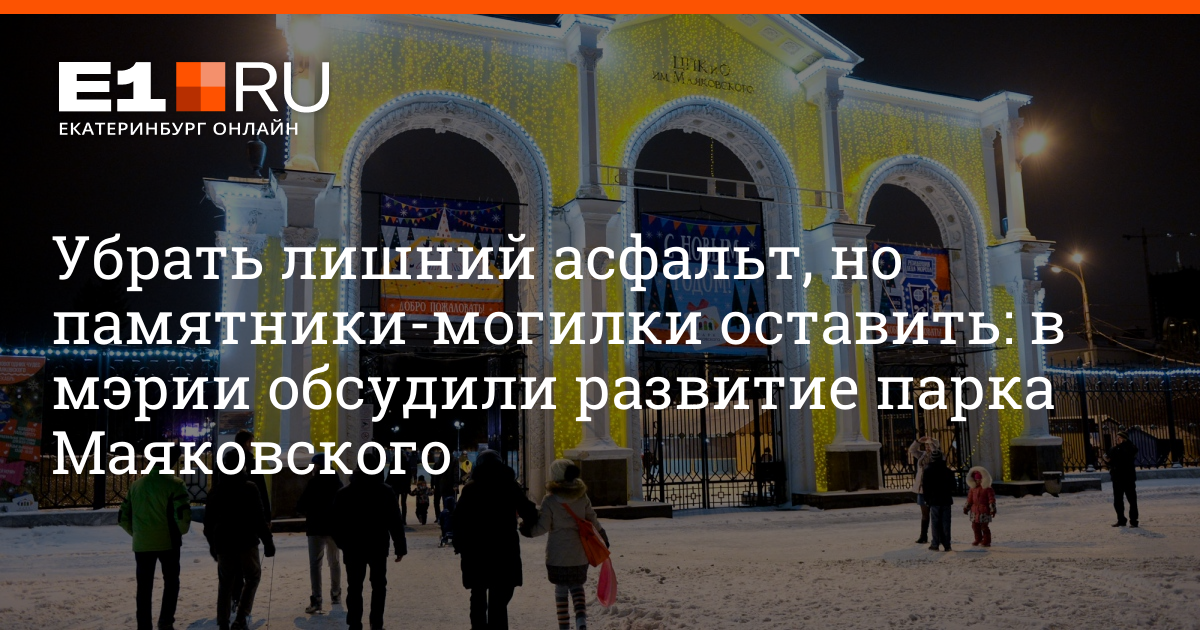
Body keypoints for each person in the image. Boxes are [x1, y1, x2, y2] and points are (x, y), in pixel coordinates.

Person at [453, 450, 538, 630]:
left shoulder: (471, 488)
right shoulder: (510, 486)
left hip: (476, 550)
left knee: (478, 594)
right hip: (504, 549)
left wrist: (459, 543)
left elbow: (459, 519)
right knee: (499, 598)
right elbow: (529, 511)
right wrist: (528, 526)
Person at [526, 459, 608, 630]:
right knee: (577, 587)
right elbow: (592, 519)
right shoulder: (582, 496)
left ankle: (564, 626)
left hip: (557, 556)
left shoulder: (550, 500)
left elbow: (542, 527)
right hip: (579, 554)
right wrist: (602, 534)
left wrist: (528, 531)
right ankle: (581, 621)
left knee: (561, 591)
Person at [118, 446, 192, 630]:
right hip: (168, 542)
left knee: (143, 587)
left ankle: (144, 625)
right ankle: (165, 621)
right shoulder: (176, 484)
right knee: (171, 582)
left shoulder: (136, 485)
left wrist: (138, 533)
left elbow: (123, 517)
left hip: (142, 544)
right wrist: (180, 531)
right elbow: (183, 517)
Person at [333, 450, 407, 630]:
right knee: (379, 586)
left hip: (353, 548)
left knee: (354, 587)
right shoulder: (385, 492)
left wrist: (343, 544)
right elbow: (395, 521)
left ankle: (354, 623)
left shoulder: (344, 493)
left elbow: (335, 523)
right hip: (378, 546)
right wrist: (400, 547)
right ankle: (376, 623)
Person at [204, 453, 276, 630]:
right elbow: (258, 518)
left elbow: (208, 523)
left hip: (224, 543)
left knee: (225, 583)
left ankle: (223, 622)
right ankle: (241, 617)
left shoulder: (216, 491)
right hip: (246, 541)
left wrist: (213, 545)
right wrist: (268, 541)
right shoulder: (249, 488)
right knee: (252, 577)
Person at [296, 453, 344, 615]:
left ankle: (317, 599)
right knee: (334, 561)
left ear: (318, 466)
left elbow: (301, 505)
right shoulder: (337, 481)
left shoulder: (313, 482)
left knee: (315, 564)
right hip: (334, 528)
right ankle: (336, 594)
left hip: (315, 527)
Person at [907, 435, 941, 544]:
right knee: (924, 514)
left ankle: (938, 536)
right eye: (926, 445)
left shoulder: (937, 456)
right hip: (921, 489)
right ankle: (923, 536)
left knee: (935, 514)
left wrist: (931, 442)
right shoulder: (922, 455)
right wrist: (918, 441)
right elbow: (912, 450)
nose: (927, 447)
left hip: (932, 490)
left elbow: (935, 451)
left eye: (929, 445)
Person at [921, 450, 955, 552]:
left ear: (932, 458)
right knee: (946, 523)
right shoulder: (948, 471)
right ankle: (947, 544)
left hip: (934, 500)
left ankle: (935, 543)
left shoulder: (928, 471)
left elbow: (926, 487)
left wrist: (927, 499)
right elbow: (953, 486)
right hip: (946, 500)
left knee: (935, 522)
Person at [1108, 430, 1139, 528]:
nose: (1117, 440)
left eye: (1119, 438)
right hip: (1117, 478)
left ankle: (1133, 520)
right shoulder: (1114, 448)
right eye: (1116, 438)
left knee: (1132, 500)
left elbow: (1128, 455)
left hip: (1128, 477)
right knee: (1118, 501)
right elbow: (1111, 461)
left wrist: (1123, 445)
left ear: (1124, 439)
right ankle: (1121, 519)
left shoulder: (1130, 447)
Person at [963, 466, 996, 547]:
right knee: (975, 526)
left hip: (984, 510)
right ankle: (978, 539)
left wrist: (992, 509)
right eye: (976, 480)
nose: (978, 481)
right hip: (974, 510)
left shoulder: (987, 489)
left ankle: (987, 540)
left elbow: (991, 499)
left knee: (984, 526)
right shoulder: (972, 489)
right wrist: (966, 507)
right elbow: (969, 499)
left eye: (979, 480)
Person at [385, 451, 412, 525]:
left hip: (395, 485)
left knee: (396, 503)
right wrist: (408, 486)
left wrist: (386, 483)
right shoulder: (406, 463)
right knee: (404, 503)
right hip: (404, 486)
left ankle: (397, 518)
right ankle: (404, 519)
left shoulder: (393, 463)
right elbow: (409, 475)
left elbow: (390, 475)